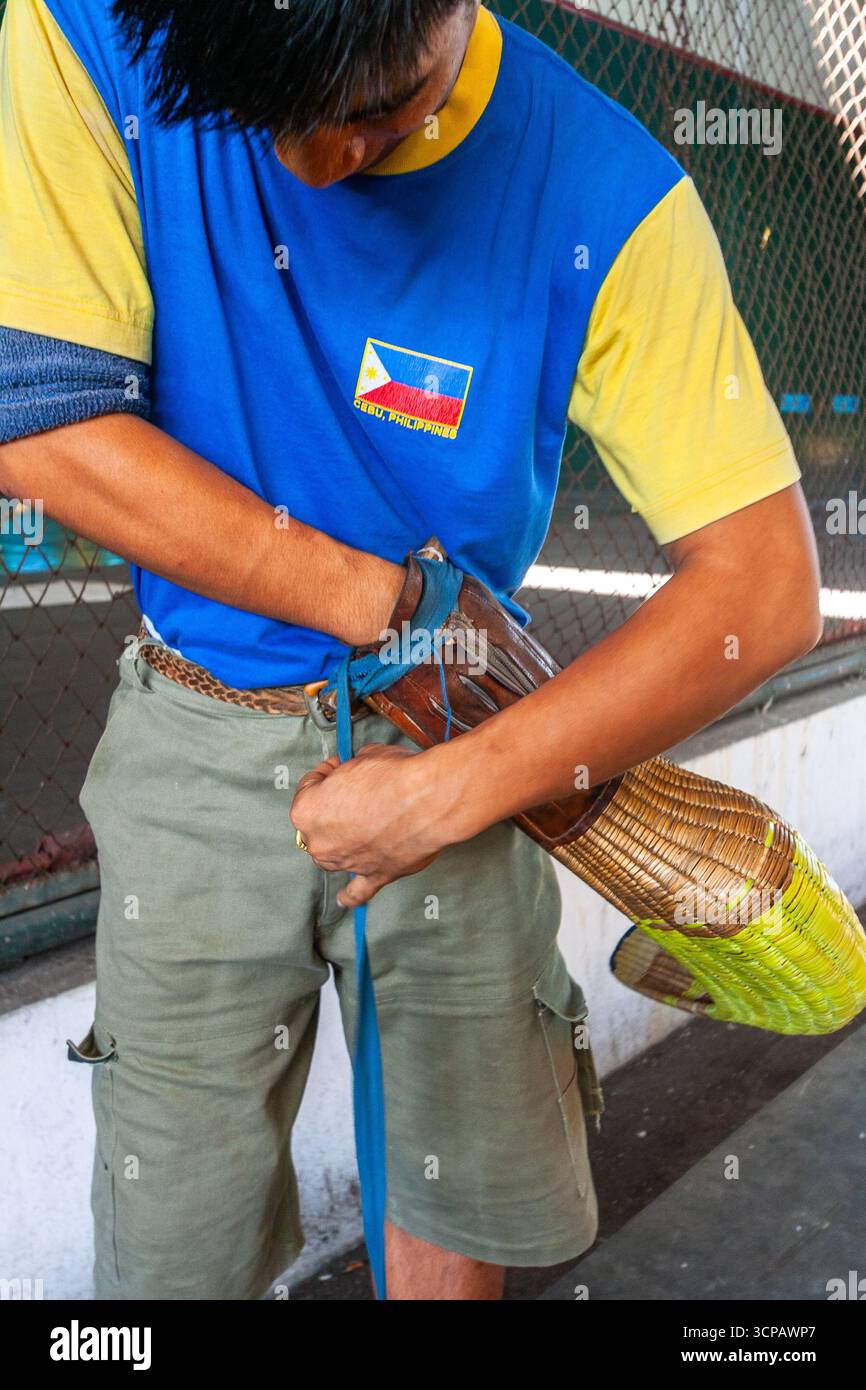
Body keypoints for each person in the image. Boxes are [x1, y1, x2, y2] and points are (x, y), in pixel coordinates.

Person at [0, 0, 821, 1301]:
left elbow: (765, 589)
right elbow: (41, 422)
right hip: (203, 722)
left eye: (377, 118)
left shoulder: (608, 194)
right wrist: (387, 605)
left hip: (467, 742)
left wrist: (449, 790)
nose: (316, 168)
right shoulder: (77, 34)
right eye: (268, 123)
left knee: (453, 1196)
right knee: (173, 1250)